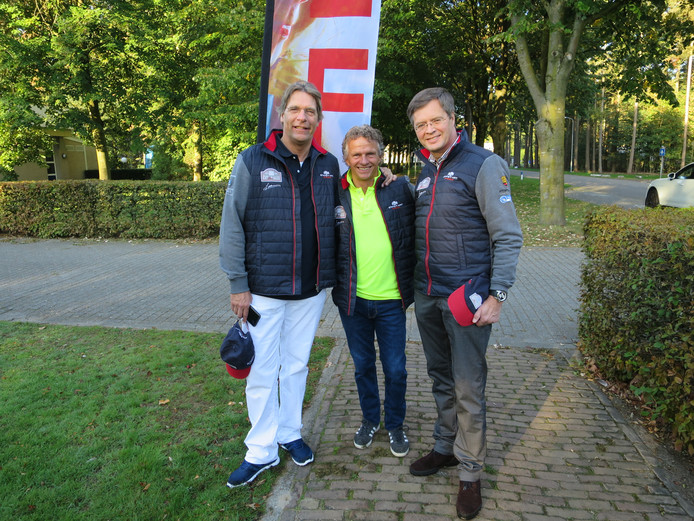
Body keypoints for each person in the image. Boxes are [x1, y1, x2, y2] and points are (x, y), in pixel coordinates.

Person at [406, 87, 523, 520]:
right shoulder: (421, 169)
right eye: (421, 125)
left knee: (468, 385)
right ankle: (445, 447)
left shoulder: (484, 164)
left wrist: (499, 295)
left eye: (436, 120)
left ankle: (471, 472)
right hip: (427, 295)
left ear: (454, 118)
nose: (429, 129)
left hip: (468, 300)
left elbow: (508, 235)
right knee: (440, 377)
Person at [219, 80, 339, 488]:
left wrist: (385, 175)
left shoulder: (327, 164)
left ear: (318, 120)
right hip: (261, 291)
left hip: (310, 292)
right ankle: (260, 450)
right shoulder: (253, 160)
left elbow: (347, 209)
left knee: (297, 366)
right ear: (282, 115)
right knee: (262, 371)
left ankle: (290, 434)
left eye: (310, 111)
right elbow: (232, 223)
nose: (303, 117)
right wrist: (238, 284)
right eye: (296, 109)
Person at [332, 125, 415, 458]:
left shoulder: (401, 189)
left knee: (396, 368)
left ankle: (395, 424)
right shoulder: (335, 193)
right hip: (352, 301)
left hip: (392, 300)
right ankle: (369, 419)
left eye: (370, 153)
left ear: (381, 155)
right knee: (363, 365)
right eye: (357, 154)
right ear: (346, 158)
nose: (363, 160)